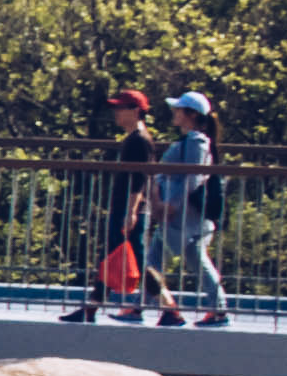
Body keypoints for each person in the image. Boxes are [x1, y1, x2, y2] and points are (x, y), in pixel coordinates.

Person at [58, 85, 158, 322]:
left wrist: (131, 212)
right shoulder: (134, 139)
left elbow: (139, 178)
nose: (117, 114)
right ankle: (92, 307)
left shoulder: (139, 140)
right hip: (127, 209)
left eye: (121, 109)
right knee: (113, 257)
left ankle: (169, 307)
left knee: (136, 262)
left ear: (136, 111)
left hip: (130, 209)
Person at [147, 89, 230, 327]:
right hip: (178, 215)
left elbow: (194, 177)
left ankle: (162, 309)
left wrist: (171, 204)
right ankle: (211, 309)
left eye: (179, 109)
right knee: (169, 259)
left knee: (153, 263)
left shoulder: (196, 141)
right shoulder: (190, 140)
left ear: (191, 114)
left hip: (182, 216)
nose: (174, 113)